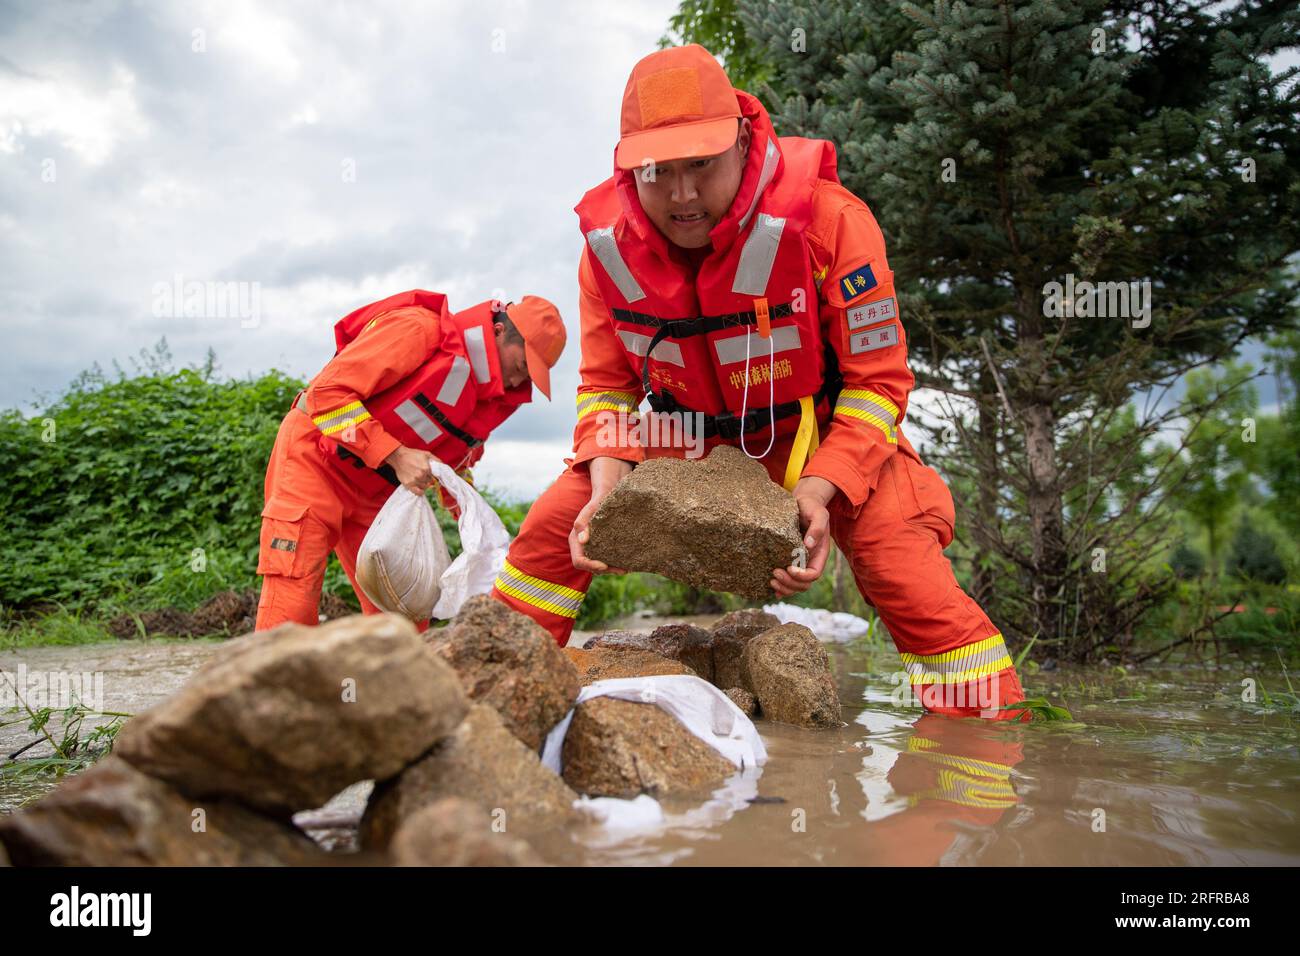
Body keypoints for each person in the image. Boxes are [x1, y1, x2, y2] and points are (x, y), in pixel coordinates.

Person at [491, 45, 1026, 720]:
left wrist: (819, 485)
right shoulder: (606, 254)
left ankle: (986, 744)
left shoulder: (831, 221)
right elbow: (606, 390)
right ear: (627, 165)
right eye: (659, 171)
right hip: (684, 439)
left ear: (743, 141)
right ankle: (498, 697)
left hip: (822, 438)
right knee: (552, 530)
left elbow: (878, 386)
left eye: (702, 165)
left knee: (903, 569)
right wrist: (605, 488)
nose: (682, 194)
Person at [256, 289, 565, 631]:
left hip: (379, 491)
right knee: (292, 592)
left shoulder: (490, 398)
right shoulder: (418, 329)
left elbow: (455, 462)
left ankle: (386, 685)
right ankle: (273, 684)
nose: (520, 381)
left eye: (531, 376)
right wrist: (397, 455)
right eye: (522, 366)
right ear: (498, 332)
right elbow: (327, 396)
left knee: (403, 617)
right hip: (315, 461)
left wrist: (474, 521)